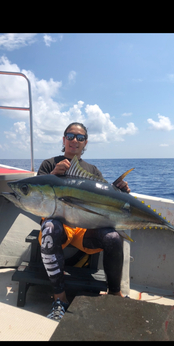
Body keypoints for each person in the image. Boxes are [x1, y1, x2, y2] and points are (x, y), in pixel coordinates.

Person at [37, 122, 131, 321]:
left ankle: (114, 294)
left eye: (80, 138)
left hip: (84, 228)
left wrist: (120, 192)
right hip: (58, 225)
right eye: (70, 136)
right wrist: (53, 174)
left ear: (85, 143)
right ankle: (59, 299)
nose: (74, 141)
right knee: (50, 228)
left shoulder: (93, 171)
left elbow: (104, 200)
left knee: (114, 237)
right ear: (63, 140)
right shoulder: (48, 164)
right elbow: (38, 195)